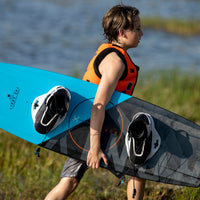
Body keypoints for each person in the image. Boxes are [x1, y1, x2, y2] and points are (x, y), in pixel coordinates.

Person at [45, 4, 145, 200]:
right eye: (137, 28)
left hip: (82, 125)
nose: (142, 33)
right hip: (96, 128)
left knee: (69, 181)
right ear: (122, 32)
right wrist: (95, 147)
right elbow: (98, 105)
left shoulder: (109, 53)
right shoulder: (115, 63)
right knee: (137, 171)